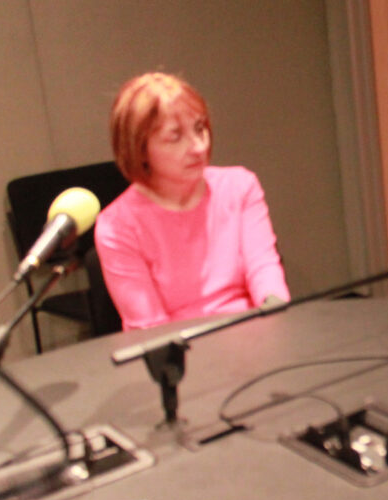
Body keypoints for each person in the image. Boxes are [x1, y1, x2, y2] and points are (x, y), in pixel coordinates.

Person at [95, 72, 290, 331]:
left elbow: (263, 268)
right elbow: (150, 327)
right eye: (175, 137)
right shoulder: (117, 225)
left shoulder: (240, 186)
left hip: (252, 334)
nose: (198, 146)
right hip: (180, 356)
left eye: (200, 129)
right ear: (140, 149)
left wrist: (276, 311)